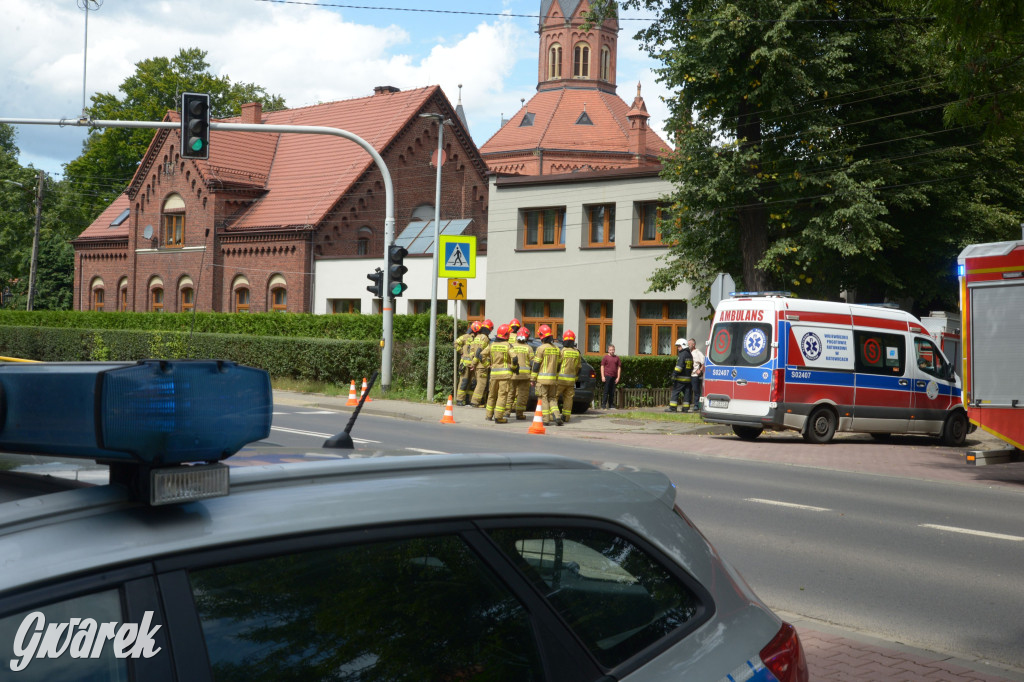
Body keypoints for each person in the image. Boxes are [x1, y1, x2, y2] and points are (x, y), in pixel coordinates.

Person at [531, 325, 563, 426]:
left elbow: (536, 365)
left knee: (543, 398)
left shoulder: (541, 348)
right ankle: (557, 416)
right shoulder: (557, 349)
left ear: (541, 336)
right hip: (553, 379)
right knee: (552, 398)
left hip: (542, 379)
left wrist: (533, 378)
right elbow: (559, 365)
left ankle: (545, 420)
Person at [483, 324, 516, 423]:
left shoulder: (492, 345)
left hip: (493, 374)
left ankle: (488, 416)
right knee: (502, 396)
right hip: (505, 375)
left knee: (492, 395)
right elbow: (515, 358)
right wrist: (513, 367)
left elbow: (481, 355)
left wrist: (488, 365)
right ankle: (498, 417)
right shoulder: (508, 345)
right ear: (506, 335)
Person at [555, 330, 582, 423]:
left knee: (554, 397)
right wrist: (575, 379)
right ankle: (566, 417)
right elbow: (579, 367)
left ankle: (555, 415)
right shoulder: (577, 353)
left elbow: (557, 364)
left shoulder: (562, 351)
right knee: (569, 398)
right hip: (571, 381)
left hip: (561, 380)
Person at [508, 327, 533, 420]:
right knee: (522, 395)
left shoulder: (511, 346)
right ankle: (519, 414)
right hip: (525, 376)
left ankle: (507, 412)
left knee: (510, 393)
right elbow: (532, 362)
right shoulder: (529, 348)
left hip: (512, 374)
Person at [468, 319, 493, 407]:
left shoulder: (476, 337)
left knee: (478, 383)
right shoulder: (484, 338)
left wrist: (473, 362)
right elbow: (480, 351)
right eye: (490, 329)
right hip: (481, 365)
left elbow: (471, 351)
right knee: (481, 384)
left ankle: (479, 401)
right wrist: (476, 363)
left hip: (476, 365)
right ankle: (475, 402)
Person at [455, 321, 480, 406]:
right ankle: (459, 400)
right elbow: (455, 343)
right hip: (465, 365)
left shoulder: (478, 338)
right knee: (464, 382)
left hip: (474, 364)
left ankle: (469, 400)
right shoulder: (465, 337)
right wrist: (461, 351)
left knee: (472, 383)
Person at [666, 338, 693, 412]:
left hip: (680, 378)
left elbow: (679, 366)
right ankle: (685, 408)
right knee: (687, 394)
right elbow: (692, 367)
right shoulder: (689, 354)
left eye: (679, 346)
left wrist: (674, 374)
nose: (678, 348)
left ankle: (673, 408)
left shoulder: (682, 354)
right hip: (688, 379)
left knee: (675, 392)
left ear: (683, 346)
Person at [600, 344, 621, 409]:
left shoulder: (617, 358)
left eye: (613, 350)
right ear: (608, 350)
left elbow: (619, 367)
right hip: (607, 376)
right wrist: (603, 376)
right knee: (606, 391)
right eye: (610, 350)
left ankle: (611, 405)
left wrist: (618, 377)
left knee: (612, 391)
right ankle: (603, 405)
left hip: (614, 376)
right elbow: (602, 366)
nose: (612, 351)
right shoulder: (605, 357)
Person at [688, 338, 705, 412]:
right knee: (688, 390)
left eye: (689, 344)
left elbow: (704, 362)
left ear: (693, 344)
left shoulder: (698, 352)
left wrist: (700, 370)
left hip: (695, 375)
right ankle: (687, 404)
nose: (688, 345)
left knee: (696, 390)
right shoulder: (688, 353)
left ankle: (696, 405)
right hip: (689, 375)